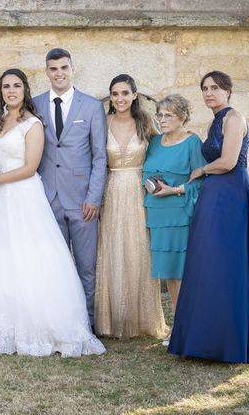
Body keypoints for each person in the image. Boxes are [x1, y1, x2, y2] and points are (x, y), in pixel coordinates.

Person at [0, 68, 105, 357]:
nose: (11, 91)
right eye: (6, 86)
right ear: (1, 92)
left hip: (23, 198)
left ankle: (40, 326)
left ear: (25, 90)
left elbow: (29, 167)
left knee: (29, 260)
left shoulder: (33, 124)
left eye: (17, 85)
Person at [169, 71, 249, 363]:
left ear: (228, 91)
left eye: (215, 88)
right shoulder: (215, 121)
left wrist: (201, 170)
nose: (209, 93)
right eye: (204, 88)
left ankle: (225, 340)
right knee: (207, 264)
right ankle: (202, 338)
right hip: (213, 196)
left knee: (226, 265)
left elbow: (228, 162)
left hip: (231, 197)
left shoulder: (234, 119)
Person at [32, 48, 107, 325]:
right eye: (53, 69)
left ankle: (86, 324)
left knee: (86, 267)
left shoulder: (91, 106)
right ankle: (60, 322)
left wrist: (94, 197)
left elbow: (100, 156)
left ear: (73, 69)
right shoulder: (35, 104)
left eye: (64, 68)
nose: (59, 73)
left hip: (82, 201)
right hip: (48, 198)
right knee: (55, 268)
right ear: (47, 72)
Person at [95, 74, 168, 340]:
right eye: (115, 94)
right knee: (113, 248)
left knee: (139, 248)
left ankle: (142, 319)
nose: (120, 99)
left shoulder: (145, 121)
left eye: (125, 93)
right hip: (112, 189)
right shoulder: (102, 122)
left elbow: (162, 152)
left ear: (134, 95)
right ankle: (113, 320)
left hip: (139, 190)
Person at [142, 94, 206, 345]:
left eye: (168, 115)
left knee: (181, 271)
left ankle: (187, 326)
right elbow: (146, 171)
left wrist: (175, 190)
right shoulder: (155, 142)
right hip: (157, 214)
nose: (162, 119)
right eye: (159, 114)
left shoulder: (192, 142)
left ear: (182, 117)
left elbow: (200, 180)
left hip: (179, 213)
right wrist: (151, 185)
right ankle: (178, 325)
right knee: (168, 271)